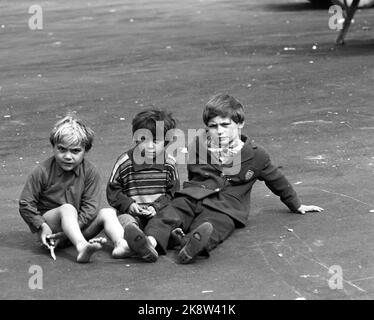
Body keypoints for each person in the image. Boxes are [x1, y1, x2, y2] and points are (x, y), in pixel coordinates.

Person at [139, 93, 324, 264]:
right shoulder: (198, 145)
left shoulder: (256, 155)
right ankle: (149, 243)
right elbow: (190, 171)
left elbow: (277, 180)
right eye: (213, 126)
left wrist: (296, 204)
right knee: (170, 214)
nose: (219, 131)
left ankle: (189, 246)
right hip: (193, 196)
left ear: (240, 123)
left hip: (227, 208)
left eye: (225, 125)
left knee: (211, 226)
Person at [19, 114, 107, 263]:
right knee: (67, 208)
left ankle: (122, 245)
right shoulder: (42, 171)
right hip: (51, 230)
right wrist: (41, 226)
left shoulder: (91, 172)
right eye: (61, 149)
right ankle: (82, 246)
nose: (67, 156)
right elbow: (25, 203)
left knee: (108, 213)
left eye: (75, 151)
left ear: (86, 150)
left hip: (77, 228)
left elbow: (91, 208)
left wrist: (68, 234)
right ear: (53, 146)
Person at [105, 109, 180, 262]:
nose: (150, 146)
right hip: (134, 215)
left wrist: (156, 207)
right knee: (123, 220)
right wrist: (129, 205)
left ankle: (149, 242)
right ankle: (137, 241)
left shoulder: (169, 163)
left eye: (156, 141)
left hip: (157, 215)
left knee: (171, 217)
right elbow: (113, 190)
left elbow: (173, 193)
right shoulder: (125, 162)